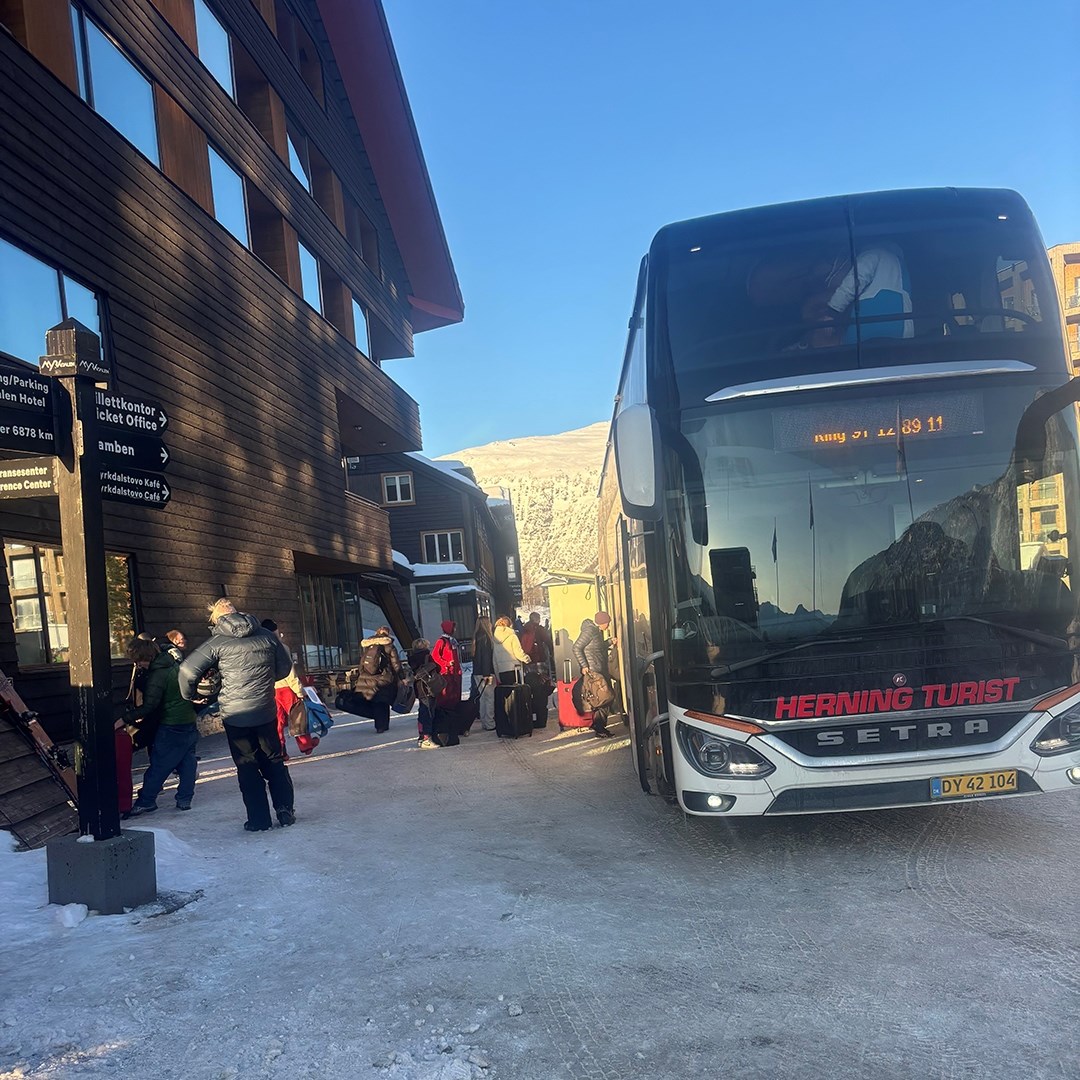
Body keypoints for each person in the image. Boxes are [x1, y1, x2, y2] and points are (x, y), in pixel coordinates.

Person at [179, 598, 295, 832]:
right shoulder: (266, 635)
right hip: (265, 710)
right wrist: (264, 680)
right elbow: (285, 667)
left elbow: (187, 669)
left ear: (217, 620)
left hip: (236, 715)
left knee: (247, 765)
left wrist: (191, 695)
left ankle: (259, 820)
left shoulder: (217, 642)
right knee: (274, 759)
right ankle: (285, 810)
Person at [125, 637, 199, 814]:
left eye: (138, 661)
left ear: (146, 657)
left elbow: (149, 705)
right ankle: (185, 798)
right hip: (188, 719)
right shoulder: (173, 664)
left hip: (171, 722)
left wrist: (124, 719)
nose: (138, 665)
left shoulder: (158, 674)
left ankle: (146, 800)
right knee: (187, 762)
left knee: (160, 763)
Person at [260, 619, 314, 759]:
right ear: (275, 631)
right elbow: (290, 672)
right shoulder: (282, 647)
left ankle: (281, 751)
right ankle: (306, 745)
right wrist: (299, 691)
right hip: (286, 689)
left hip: (270, 690)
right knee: (298, 717)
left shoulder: (259, 649)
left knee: (277, 722)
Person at [572, 611, 616, 738]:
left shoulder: (596, 631)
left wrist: (609, 642)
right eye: (607, 623)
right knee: (605, 697)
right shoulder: (590, 631)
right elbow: (576, 647)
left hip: (598, 669)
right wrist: (584, 665)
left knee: (601, 698)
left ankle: (599, 725)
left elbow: (597, 647)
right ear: (602, 623)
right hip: (594, 671)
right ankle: (599, 727)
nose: (608, 626)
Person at [354, 625, 402, 734]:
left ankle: (378, 724)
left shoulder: (368, 644)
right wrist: (400, 676)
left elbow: (362, 661)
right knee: (383, 701)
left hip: (368, 676)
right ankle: (382, 725)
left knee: (375, 701)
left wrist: (362, 674)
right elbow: (395, 663)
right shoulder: (388, 644)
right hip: (384, 677)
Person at [407, 638, 443, 749]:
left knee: (423, 711)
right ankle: (426, 738)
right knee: (428, 712)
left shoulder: (412, 658)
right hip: (428, 687)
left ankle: (422, 736)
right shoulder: (427, 657)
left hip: (419, 688)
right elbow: (438, 668)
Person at [431, 619, 463, 718]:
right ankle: (445, 716)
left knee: (455, 694)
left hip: (455, 672)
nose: (455, 629)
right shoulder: (441, 641)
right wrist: (446, 664)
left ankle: (454, 714)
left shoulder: (452, 641)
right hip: (447, 673)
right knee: (446, 696)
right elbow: (435, 656)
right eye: (453, 627)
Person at [471, 616, 497, 731]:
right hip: (486, 672)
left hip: (477, 672)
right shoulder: (486, 637)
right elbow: (486, 656)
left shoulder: (476, 636)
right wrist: (487, 674)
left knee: (482, 698)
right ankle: (490, 722)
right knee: (490, 697)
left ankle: (484, 722)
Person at [493, 615, 531, 685]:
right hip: (514, 670)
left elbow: (494, 659)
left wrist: (497, 675)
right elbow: (518, 653)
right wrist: (527, 659)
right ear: (510, 625)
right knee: (517, 690)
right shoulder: (512, 636)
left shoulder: (494, 640)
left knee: (507, 691)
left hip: (501, 671)